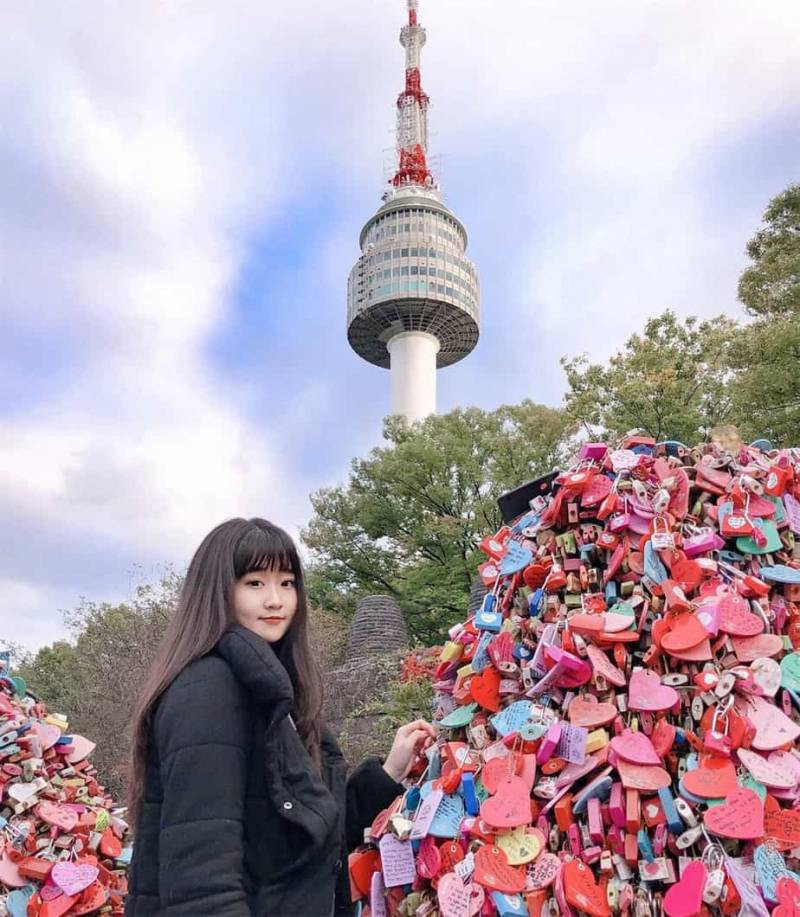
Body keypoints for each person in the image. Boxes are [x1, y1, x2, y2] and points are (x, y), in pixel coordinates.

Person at [125, 517, 435, 916]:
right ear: (217, 591)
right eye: (255, 583)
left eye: (287, 582)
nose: (276, 599)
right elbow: (202, 884)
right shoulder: (208, 691)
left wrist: (388, 774)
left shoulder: (273, 692)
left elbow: (302, 842)